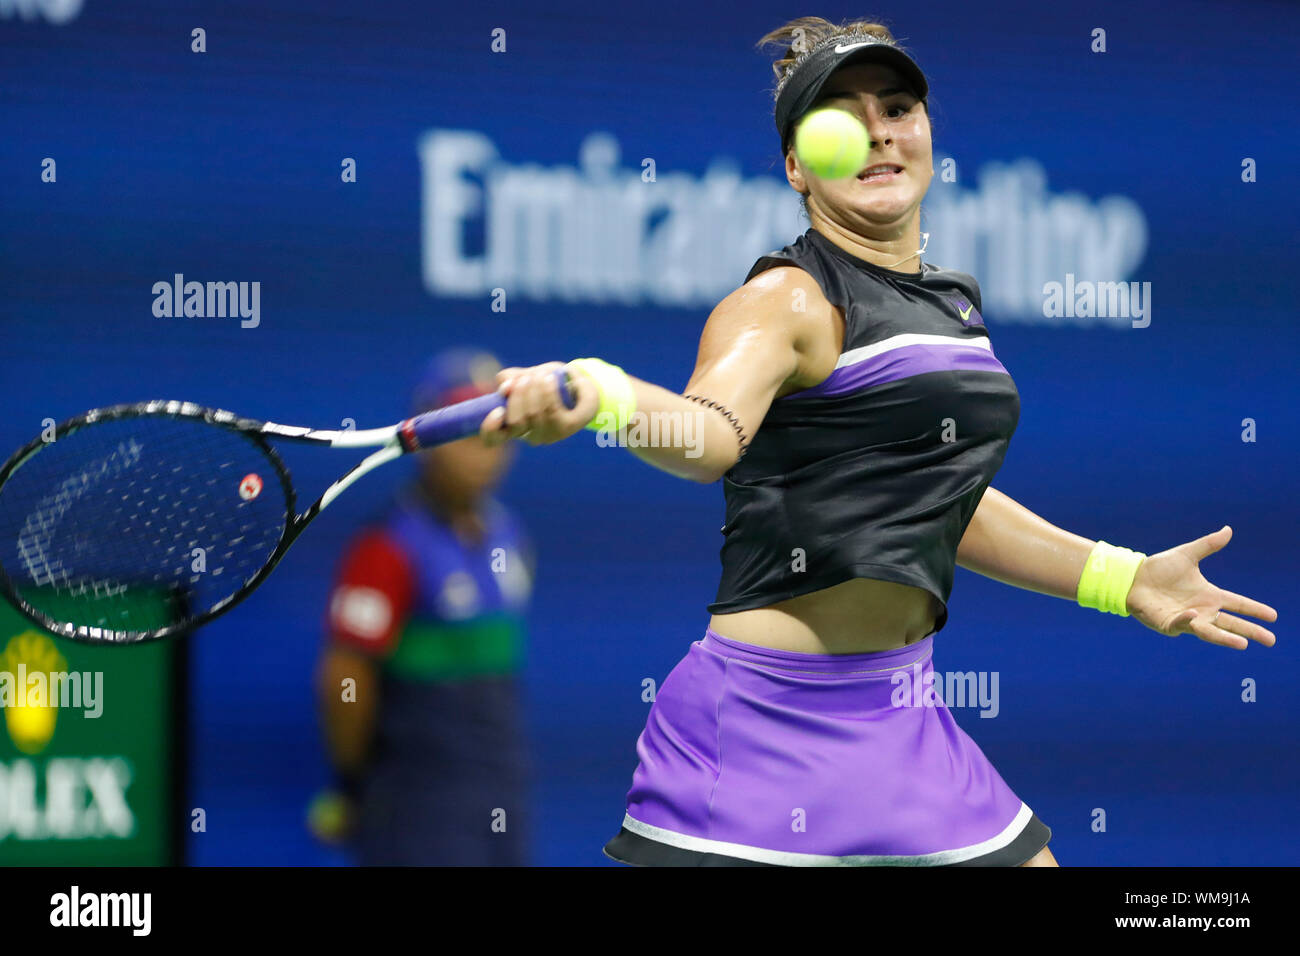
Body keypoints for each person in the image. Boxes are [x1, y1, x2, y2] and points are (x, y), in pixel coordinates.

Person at [473, 17, 1278, 867]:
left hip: (907, 722)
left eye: (898, 108)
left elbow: (936, 501)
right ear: (797, 165)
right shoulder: (787, 298)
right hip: (758, 733)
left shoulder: (950, 306)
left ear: (928, 133)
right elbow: (709, 435)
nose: (879, 131)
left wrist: (1122, 578)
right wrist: (606, 396)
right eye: (842, 119)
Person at [312, 347, 535, 865]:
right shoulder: (385, 549)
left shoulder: (511, 537)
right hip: (416, 804)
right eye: (469, 424)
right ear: (428, 440)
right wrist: (352, 784)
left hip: (502, 793)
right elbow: (345, 678)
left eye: (500, 425)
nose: (488, 443)